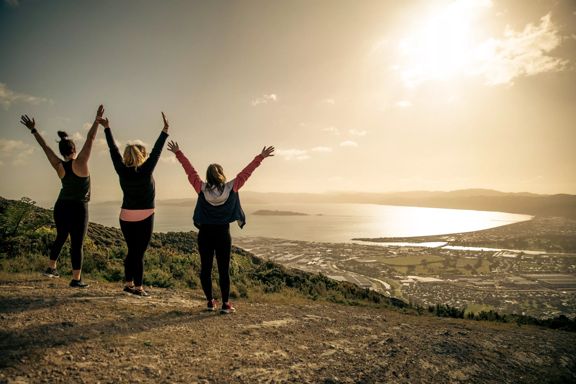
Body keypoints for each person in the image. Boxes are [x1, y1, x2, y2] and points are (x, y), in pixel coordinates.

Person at [168, 140, 274, 313]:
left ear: (208, 176)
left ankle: (210, 302)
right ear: (222, 175)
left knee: (206, 269)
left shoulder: (201, 188)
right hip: (223, 234)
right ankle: (225, 304)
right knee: (224, 270)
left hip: (205, 234)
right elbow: (246, 173)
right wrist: (260, 157)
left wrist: (178, 153)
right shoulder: (232, 187)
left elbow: (190, 171)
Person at [20, 105, 104, 288]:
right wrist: (97, 120)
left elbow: (45, 147)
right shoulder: (81, 162)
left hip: (61, 206)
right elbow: (90, 138)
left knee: (61, 236)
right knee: (77, 243)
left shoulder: (58, 165)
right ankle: (76, 279)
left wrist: (34, 130)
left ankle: (52, 268)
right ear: (74, 149)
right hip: (78, 207)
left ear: (62, 152)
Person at [100, 112, 169, 297]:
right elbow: (156, 151)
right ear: (140, 156)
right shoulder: (146, 170)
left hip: (125, 216)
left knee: (132, 251)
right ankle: (138, 287)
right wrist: (164, 131)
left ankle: (128, 283)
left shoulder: (121, 170)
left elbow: (112, 150)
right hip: (145, 216)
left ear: (126, 156)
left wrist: (107, 128)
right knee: (138, 253)